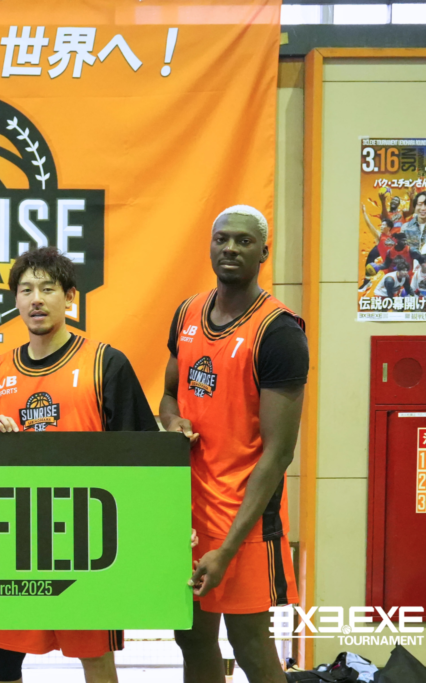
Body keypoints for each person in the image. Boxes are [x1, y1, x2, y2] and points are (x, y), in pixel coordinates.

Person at [0, 246, 159, 683]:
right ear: (16, 300)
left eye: (48, 289)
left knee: (96, 659)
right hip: (16, 543)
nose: (36, 299)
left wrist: (160, 528)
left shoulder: (106, 363)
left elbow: (143, 456)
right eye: (26, 290)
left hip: (89, 542)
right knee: (1, 661)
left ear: (70, 296)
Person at [160, 205, 307, 683]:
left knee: (251, 647)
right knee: (191, 637)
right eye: (222, 238)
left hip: (246, 521)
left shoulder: (279, 332)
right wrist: (173, 421)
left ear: (264, 251)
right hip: (188, 512)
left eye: (244, 241)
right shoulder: (187, 313)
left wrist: (227, 548)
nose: (230, 248)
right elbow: (168, 395)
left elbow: (279, 453)